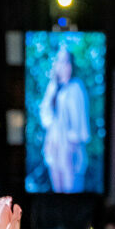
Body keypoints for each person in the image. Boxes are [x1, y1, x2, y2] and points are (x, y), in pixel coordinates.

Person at [38, 43, 90, 194]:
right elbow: (45, 114)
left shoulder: (76, 87)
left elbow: (79, 121)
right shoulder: (53, 87)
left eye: (67, 61)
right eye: (61, 61)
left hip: (70, 147)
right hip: (55, 146)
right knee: (57, 190)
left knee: (72, 189)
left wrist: (72, 143)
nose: (64, 65)